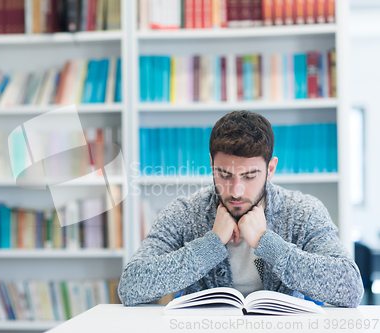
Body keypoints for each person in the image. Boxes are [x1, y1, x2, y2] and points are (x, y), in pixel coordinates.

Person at [118, 110, 363, 308]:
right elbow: (130, 287)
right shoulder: (184, 212)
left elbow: (351, 289)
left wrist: (269, 244)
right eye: (224, 174)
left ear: (270, 169)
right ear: (211, 164)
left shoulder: (302, 211)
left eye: (249, 176)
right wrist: (210, 245)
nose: (236, 191)